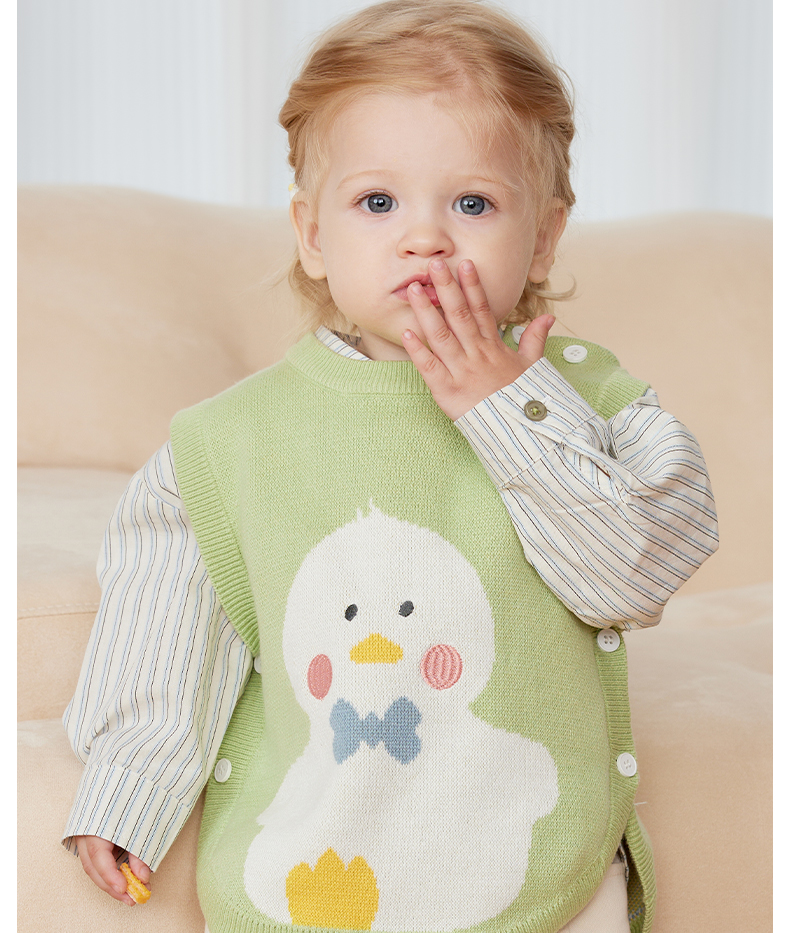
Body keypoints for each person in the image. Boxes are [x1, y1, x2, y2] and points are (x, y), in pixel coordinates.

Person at [62, 2, 719, 931]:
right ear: (312, 234)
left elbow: (632, 576)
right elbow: (168, 633)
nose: (425, 239)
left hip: (544, 872)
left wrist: (506, 406)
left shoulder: (596, 399)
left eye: (473, 204)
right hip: (313, 881)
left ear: (543, 236)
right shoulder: (230, 439)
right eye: (378, 203)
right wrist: (128, 789)